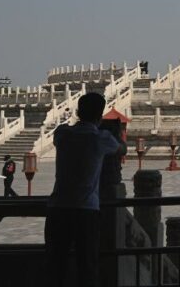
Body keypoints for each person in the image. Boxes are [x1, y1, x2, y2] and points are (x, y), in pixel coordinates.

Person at [45, 92, 126, 287]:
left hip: (58, 208)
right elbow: (121, 150)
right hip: (86, 211)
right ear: (99, 115)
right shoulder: (101, 138)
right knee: (87, 267)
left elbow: (66, 130)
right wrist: (115, 133)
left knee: (56, 267)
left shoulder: (62, 133)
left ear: (78, 111)